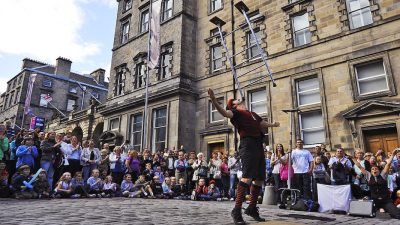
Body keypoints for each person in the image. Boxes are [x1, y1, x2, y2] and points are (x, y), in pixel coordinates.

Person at [208, 88, 280, 224]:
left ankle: (252, 207)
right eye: (235, 100)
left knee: (259, 178)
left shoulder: (252, 113)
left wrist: (273, 125)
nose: (239, 99)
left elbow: (261, 123)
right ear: (234, 105)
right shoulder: (236, 113)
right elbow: (224, 112)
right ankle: (237, 210)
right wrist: (213, 100)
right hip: (247, 145)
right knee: (247, 177)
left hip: (258, 144)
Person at [354, 148, 400, 219]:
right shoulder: (369, 176)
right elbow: (359, 166)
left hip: (385, 201)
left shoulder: (383, 175)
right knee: (361, 212)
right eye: (373, 169)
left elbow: (388, 164)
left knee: (397, 214)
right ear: (371, 171)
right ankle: (379, 209)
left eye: (376, 169)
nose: (374, 170)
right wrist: (352, 158)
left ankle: (384, 209)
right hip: (374, 201)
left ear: (379, 170)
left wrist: (393, 154)